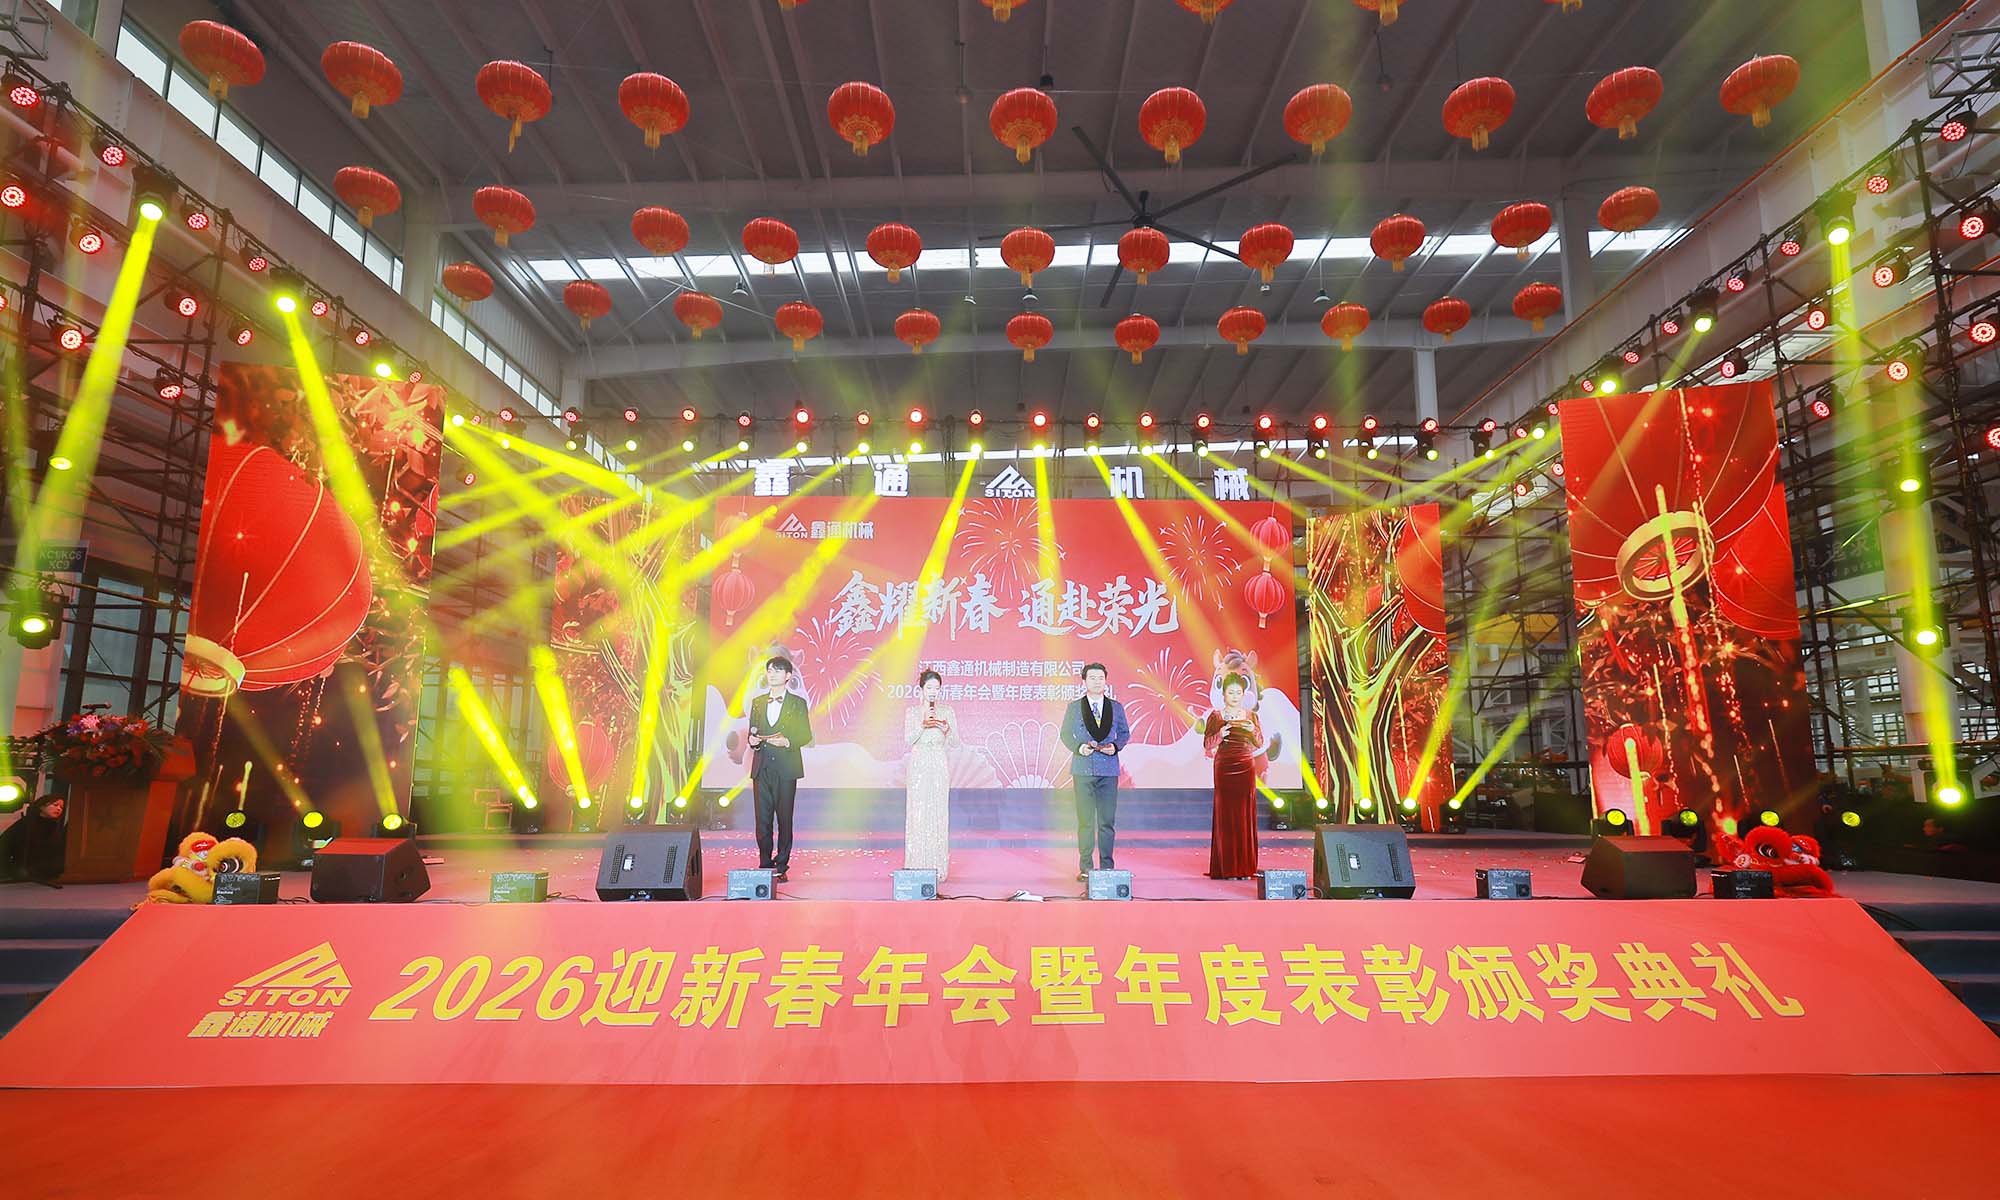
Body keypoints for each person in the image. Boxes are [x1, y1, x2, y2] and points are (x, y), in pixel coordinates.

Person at [745, 655, 813, 882]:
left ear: (788, 676)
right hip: (762, 767)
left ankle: (782, 865)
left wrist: (788, 742)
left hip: (786, 768)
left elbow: (806, 734)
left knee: (784, 818)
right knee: (762, 820)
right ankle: (765, 864)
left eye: (777, 670)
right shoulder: (758, 702)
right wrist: (752, 741)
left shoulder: (797, 703)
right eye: (769, 670)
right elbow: (753, 732)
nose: (772, 674)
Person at [1060, 662, 1129, 881]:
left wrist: (1115, 747)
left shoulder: (1116, 707)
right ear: (1084, 681)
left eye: (1100, 678)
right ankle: (1086, 868)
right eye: (1092, 678)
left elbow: (1124, 733)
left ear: (1106, 681)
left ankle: (1107, 868)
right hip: (1083, 770)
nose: (1097, 682)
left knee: (1107, 821)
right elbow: (1065, 734)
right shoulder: (1074, 707)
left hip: (1108, 770)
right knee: (1086, 821)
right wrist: (1078, 747)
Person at [1203, 672, 1262, 880]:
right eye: (1231, 692)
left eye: (1238, 692)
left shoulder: (1251, 716)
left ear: (1244, 694)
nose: (1235, 696)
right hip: (1224, 767)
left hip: (1245, 766)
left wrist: (1253, 730)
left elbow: (1259, 743)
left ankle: (1245, 868)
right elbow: (1207, 744)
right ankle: (1227, 868)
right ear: (1224, 694)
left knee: (1244, 815)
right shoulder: (1216, 716)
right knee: (1226, 815)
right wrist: (1220, 735)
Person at [903, 668, 960, 881]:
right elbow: (909, 739)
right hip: (919, 763)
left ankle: (937, 866)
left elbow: (956, 743)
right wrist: (923, 723)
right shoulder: (912, 712)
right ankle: (916, 864)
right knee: (918, 812)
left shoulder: (947, 711)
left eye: (937, 688)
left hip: (938, 762)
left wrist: (947, 730)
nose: (933, 692)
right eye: (929, 688)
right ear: (921, 689)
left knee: (937, 811)